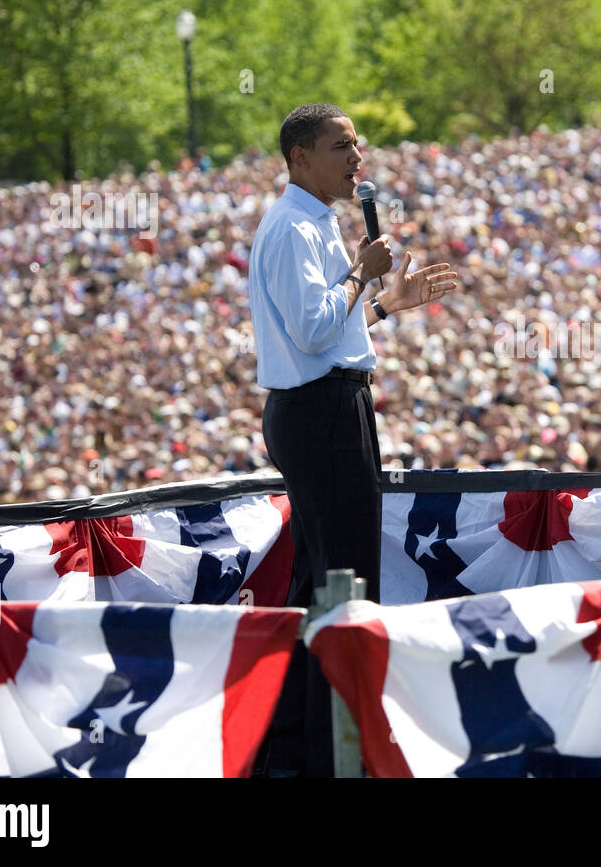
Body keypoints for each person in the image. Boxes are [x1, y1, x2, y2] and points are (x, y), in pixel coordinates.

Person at [250, 103, 458, 775]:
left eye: (357, 144)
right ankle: (329, 749)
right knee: (345, 579)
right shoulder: (290, 228)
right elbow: (313, 333)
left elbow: (328, 329)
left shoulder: (312, 223)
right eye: (341, 146)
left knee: (324, 577)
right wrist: (363, 273)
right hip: (318, 414)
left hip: (329, 406)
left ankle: (310, 741)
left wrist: (384, 306)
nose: (357, 158)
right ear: (300, 157)